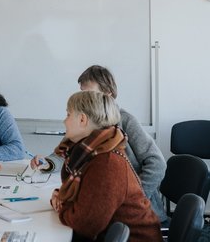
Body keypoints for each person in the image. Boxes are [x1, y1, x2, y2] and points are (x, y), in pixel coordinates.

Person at [31, 65, 167, 223]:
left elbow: (157, 164)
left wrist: (133, 197)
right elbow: (65, 151)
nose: (83, 98)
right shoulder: (86, 123)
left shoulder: (126, 121)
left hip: (136, 211)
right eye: (82, 92)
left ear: (108, 94)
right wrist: (47, 163)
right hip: (103, 204)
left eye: (89, 93)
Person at [48, 91, 161, 241]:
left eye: (68, 115)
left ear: (82, 119)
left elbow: (86, 224)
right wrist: (66, 202)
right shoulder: (91, 151)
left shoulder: (106, 162)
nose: (64, 121)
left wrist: (63, 206)